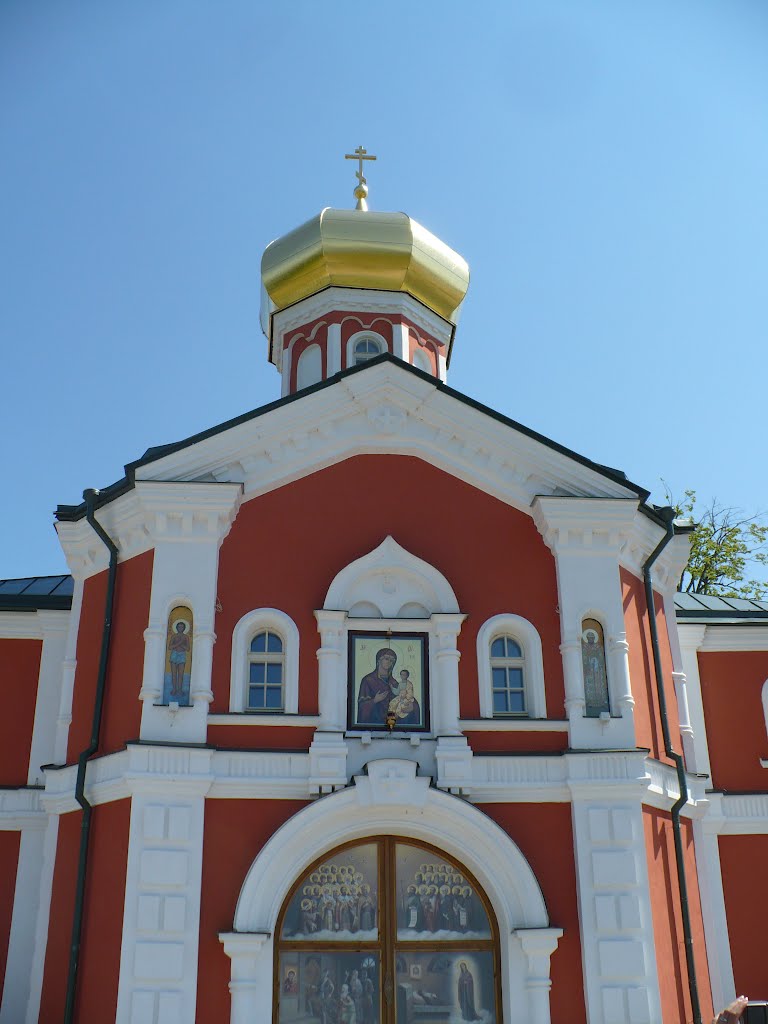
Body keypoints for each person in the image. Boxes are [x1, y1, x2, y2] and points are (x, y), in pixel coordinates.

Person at [168, 621, 190, 698]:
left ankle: (180, 690)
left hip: (182, 655)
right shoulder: (174, 636)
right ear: (176, 628)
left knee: (180, 675)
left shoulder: (186, 637)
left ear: (184, 628)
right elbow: (170, 647)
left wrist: (180, 643)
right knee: (174, 674)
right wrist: (179, 643)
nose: (180, 628)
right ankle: (174, 689)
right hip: (174, 655)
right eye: (179, 627)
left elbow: (188, 649)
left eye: (182, 627)